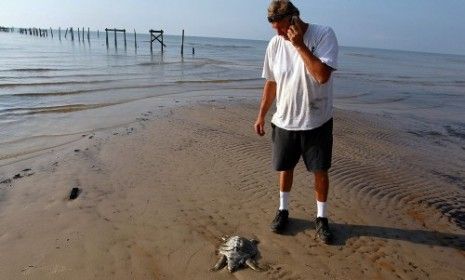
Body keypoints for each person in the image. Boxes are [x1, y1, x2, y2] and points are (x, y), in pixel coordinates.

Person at [254, 0, 338, 244]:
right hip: (284, 120)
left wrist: (299, 45)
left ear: (294, 19)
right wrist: (261, 114)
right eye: (275, 30)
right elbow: (271, 82)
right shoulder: (274, 44)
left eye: (281, 28)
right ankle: (283, 210)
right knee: (285, 167)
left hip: (317, 120)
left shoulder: (323, 34)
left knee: (320, 171)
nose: (279, 34)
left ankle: (321, 218)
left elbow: (322, 76)